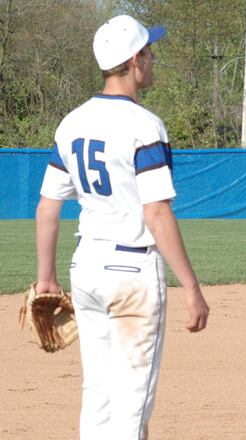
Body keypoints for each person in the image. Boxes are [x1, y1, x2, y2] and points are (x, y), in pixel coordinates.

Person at [35, 14, 209, 439]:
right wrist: (191, 287)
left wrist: (46, 280)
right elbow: (157, 213)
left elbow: (47, 207)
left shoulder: (71, 123)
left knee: (98, 394)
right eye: (150, 51)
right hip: (132, 274)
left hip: (87, 268)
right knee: (132, 403)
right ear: (135, 60)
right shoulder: (144, 126)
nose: (152, 60)